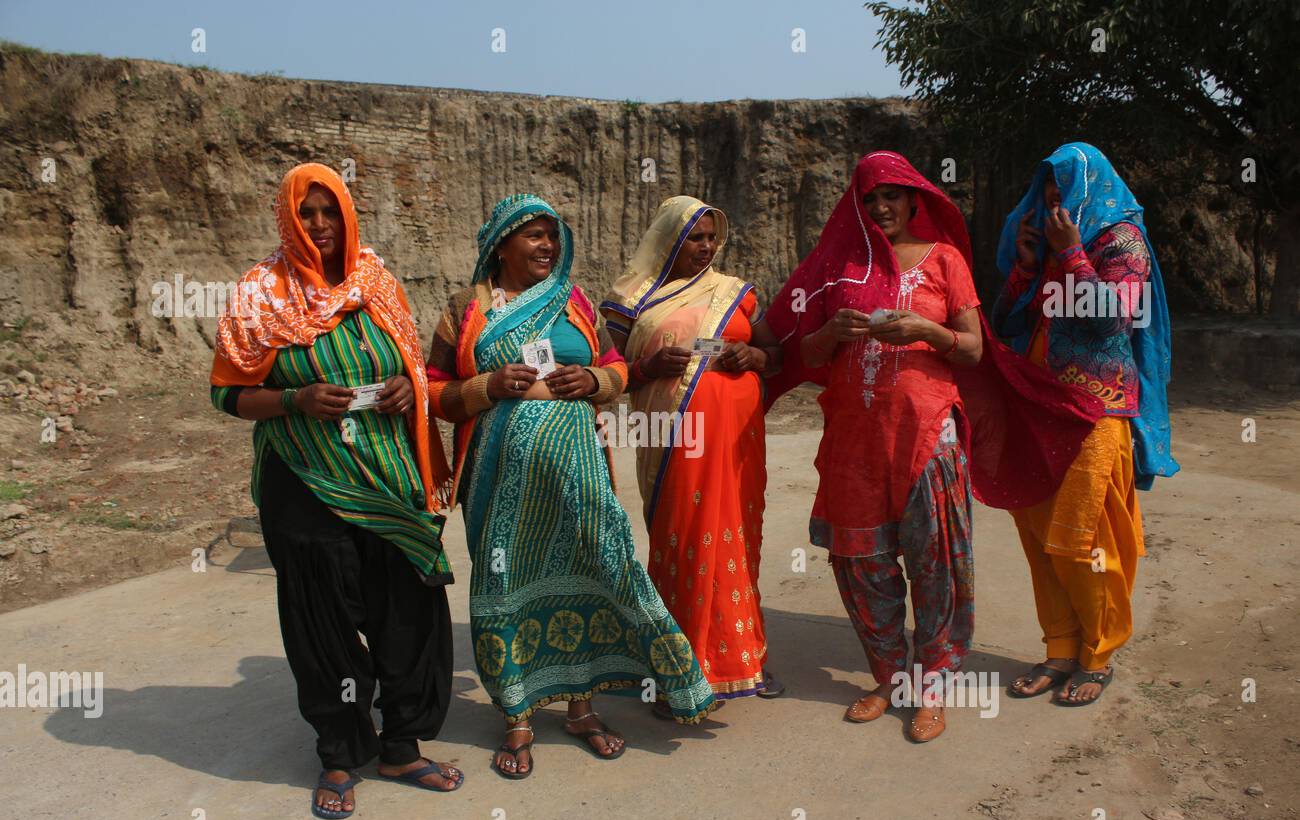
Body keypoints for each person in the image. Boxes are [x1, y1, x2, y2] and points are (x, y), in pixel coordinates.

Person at [762, 151, 1101, 742]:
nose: (880, 207)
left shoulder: (945, 261)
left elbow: (971, 348)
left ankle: (934, 686)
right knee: (861, 564)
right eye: (869, 198)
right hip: (854, 442)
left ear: (914, 200)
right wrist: (828, 332)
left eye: (891, 196)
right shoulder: (838, 266)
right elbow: (802, 351)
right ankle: (889, 679)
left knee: (937, 562)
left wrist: (926, 331)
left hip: (928, 431)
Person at [426, 193, 716, 779]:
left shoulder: (575, 302)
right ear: (499, 244)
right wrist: (484, 386)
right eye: (532, 235)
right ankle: (518, 715)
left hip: (579, 468)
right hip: (498, 479)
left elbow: (618, 370)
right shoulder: (467, 308)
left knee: (591, 572)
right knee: (508, 581)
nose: (547, 246)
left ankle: (583, 709)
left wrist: (591, 377)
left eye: (552, 235)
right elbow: (433, 389)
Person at [210, 163, 462, 820]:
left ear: (348, 216)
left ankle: (402, 744)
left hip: (389, 475)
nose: (319, 225)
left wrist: (411, 388)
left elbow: (410, 361)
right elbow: (228, 394)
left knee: (407, 605)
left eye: (330, 212)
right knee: (321, 622)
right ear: (289, 220)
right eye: (307, 214)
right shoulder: (258, 293)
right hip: (304, 482)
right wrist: (294, 399)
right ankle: (340, 752)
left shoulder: (376, 282)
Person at [994, 143, 1177, 706]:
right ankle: (1059, 648)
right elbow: (1006, 326)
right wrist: (1025, 269)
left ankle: (1098, 654)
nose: (1053, 196)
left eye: (1064, 184)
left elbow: (1111, 319)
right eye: (1047, 185)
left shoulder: (1121, 242)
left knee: (1083, 539)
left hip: (1095, 412)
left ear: (1090, 184)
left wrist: (1072, 254)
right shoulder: (1043, 244)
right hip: (1035, 406)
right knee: (1039, 536)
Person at [601, 196, 783, 709]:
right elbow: (607, 374)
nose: (704, 248)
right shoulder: (629, 300)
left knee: (737, 541)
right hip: (670, 436)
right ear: (668, 239)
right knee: (684, 541)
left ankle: (741, 658)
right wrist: (648, 367)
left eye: (710, 238)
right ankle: (675, 670)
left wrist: (752, 355)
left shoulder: (734, 293)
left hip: (736, 440)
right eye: (693, 238)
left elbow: (776, 355)